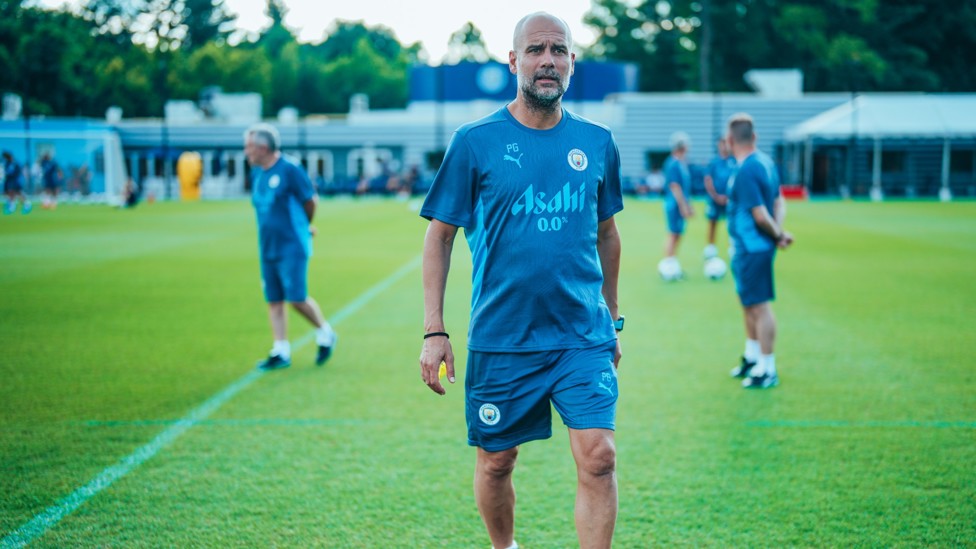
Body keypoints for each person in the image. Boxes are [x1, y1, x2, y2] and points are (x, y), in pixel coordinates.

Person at [419, 12, 624, 549]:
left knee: (599, 458)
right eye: (535, 50)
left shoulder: (598, 142)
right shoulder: (474, 141)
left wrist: (612, 318)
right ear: (514, 61)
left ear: (572, 64)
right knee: (496, 463)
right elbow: (439, 237)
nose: (548, 60)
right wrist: (433, 330)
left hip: (581, 336)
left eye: (559, 50)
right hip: (503, 339)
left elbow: (608, 235)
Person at [244, 123, 336, 370]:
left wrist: (304, 226)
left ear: (263, 147)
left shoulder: (290, 169)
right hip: (267, 246)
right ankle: (280, 350)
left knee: (295, 298)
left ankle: (325, 332)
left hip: (292, 245)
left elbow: (310, 200)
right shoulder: (258, 173)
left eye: (249, 147)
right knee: (273, 299)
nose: (246, 152)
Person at [725, 113, 794, 389]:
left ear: (730, 140)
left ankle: (768, 367)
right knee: (749, 304)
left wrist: (778, 234)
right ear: (754, 136)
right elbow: (779, 202)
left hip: (752, 247)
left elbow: (759, 214)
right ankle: (753, 358)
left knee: (760, 306)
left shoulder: (747, 169)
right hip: (751, 247)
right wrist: (778, 233)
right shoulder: (765, 163)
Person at [659, 132, 693, 278]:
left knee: (678, 233)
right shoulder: (673, 163)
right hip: (674, 204)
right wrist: (683, 205)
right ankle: (668, 266)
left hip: (678, 204)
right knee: (673, 234)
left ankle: (673, 264)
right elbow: (675, 186)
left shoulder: (680, 162)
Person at [703, 138, 734, 259]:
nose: (724, 147)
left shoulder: (734, 161)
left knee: (731, 223)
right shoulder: (714, 162)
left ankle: (733, 246)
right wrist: (715, 196)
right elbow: (708, 180)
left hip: (730, 199)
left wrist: (729, 196)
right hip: (715, 200)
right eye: (722, 144)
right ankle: (711, 248)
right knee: (712, 222)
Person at [3, 150, 32, 215]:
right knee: (10, 192)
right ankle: (12, 207)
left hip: (16, 180)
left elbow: (19, 172)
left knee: (18, 193)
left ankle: (27, 204)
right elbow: (6, 172)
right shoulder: (7, 163)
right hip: (9, 180)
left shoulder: (16, 163)